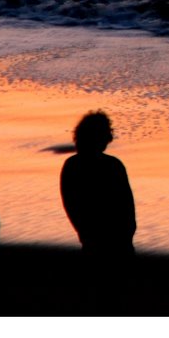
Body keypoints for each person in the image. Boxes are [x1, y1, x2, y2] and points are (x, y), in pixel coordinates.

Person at [60, 111, 136, 262]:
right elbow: (127, 207)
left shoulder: (72, 165)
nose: (110, 138)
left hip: (95, 241)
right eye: (107, 132)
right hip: (110, 243)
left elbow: (72, 206)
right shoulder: (113, 165)